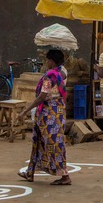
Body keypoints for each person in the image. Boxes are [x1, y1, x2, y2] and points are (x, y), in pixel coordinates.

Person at [18, 49, 71, 185]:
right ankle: (30, 173)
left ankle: (65, 176)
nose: (46, 62)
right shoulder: (60, 73)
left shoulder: (50, 76)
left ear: (51, 61)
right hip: (57, 111)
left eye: (47, 60)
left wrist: (25, 111)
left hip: (49, 114)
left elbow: (42, 96)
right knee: (39, 142)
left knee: (54, 144)